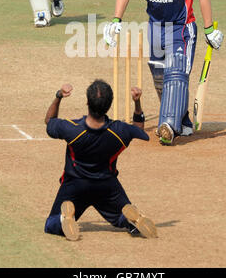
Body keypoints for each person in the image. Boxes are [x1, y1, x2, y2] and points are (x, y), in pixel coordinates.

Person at [103, 0, 224, 146]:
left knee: (176, 72)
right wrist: (116, 21)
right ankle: (181, 119)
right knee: (160, 76)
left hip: (182, 27)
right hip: (156, 27)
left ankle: (168, 126)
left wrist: (209, 29)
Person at [44, 80, 157, 240]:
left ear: (87, 102)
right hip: (107, 186)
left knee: (51, 225)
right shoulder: (120, 131)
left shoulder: (71, 129)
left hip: (75, 184)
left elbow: (49, 121)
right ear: (109, 105)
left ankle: (64, 218)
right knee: (119, 218)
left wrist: (58, 96)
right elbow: (140, 130)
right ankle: (130, 220)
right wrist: (137, 103)